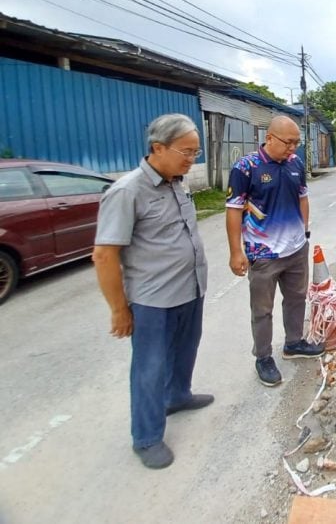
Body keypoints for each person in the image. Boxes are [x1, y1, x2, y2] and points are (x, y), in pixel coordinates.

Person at [93, 113, 213, 470]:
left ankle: (177, 395)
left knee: (186, 348)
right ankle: (146, 437)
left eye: (196, 152)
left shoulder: (176, 182)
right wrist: (119, 309)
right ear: (158, 148)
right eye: (186, 152)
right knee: (149, 367)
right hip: (153, 300)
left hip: (190, 288)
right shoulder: (127, 191)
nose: (192, 160)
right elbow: (104, 254)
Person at [226, 115, 324, 387]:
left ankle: (293, 343)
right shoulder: (246, 168)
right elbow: (234, 210)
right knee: (262, 309)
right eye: (288, 142)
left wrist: (303, 233)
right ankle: (263, 357)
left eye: (296, 143)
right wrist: (236, 252)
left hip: (295, 251)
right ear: (269, 138)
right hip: (263, 254)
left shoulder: (295, 164)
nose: (292, 148)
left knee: (296, 299)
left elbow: (303, 198)